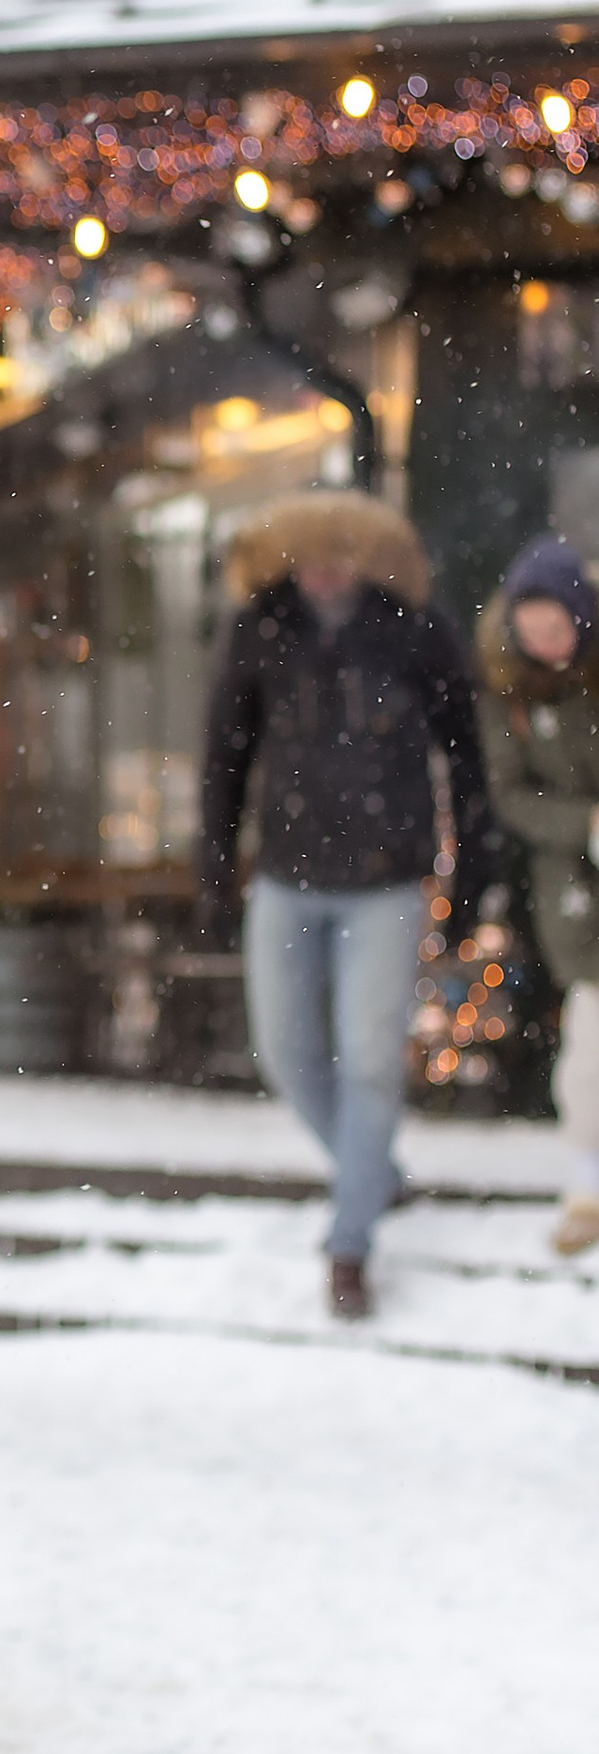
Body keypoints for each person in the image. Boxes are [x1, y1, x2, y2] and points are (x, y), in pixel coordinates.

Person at [198, 492, 493, 1317]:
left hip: (386, 883)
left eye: (340, 552)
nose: (325, 566)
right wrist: (214, 867)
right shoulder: (260, 629)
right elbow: (224, 754)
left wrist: (467, 879)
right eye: (309, 553)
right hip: (286, 878)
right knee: (286, 1053)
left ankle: (349, 1244)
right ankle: (376, 1178)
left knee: (369, 1060)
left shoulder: (415, 632)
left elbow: (466, 761)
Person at [475, 532, 599, 1254]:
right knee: (591, 1037)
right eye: (533, 630)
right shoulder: (507, 689)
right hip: (571, 878)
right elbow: (509, 793)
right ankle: (587, 1184)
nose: (545, 642)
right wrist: (581, 825)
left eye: (557, 628)